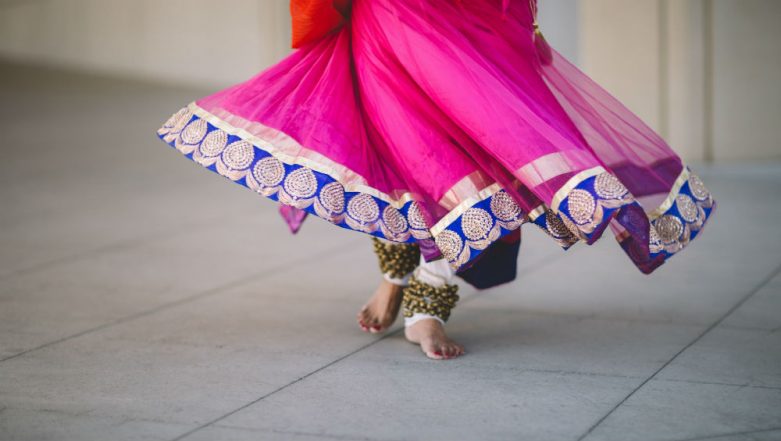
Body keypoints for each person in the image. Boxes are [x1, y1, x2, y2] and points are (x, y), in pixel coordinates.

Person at [157, 0, 715, 360]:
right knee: (408, 152)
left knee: (480, 157)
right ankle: (406, 286)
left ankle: (420, 297)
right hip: (394, 16)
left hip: (476, 19)